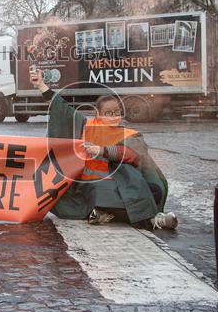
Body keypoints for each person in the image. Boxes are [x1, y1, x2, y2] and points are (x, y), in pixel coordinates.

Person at [29, 67, 177, 229]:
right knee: (92, 194)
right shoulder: (86, 126)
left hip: (125, 182)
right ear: (98, 114)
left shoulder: (129, 133)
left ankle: (119, 215)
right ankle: (144, 218)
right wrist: (41, 85)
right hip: (90, 186)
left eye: (117, 112)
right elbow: (62, 110)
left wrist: (102, 150)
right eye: (108, 112)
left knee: (151, 191)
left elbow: (133, 155)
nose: (114, 116)